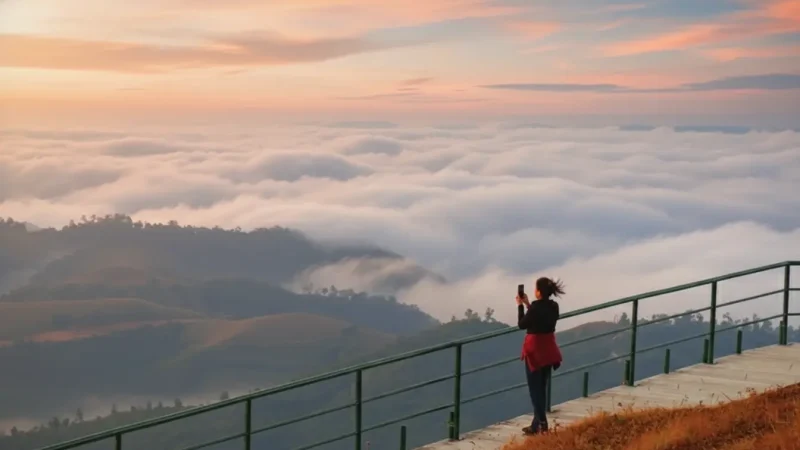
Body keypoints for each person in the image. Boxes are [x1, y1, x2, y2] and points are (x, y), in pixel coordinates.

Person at [516, 276, 564, 435]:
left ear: (538, 291)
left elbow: (522, 324)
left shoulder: (535, 309)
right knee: (542, 387)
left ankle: (542, 423)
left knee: (534, 390)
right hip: (549, 350)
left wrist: (520, 306)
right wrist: (528, 304)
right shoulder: (554, 306)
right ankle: (536, 424)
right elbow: (541, 319)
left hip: (535, 352)